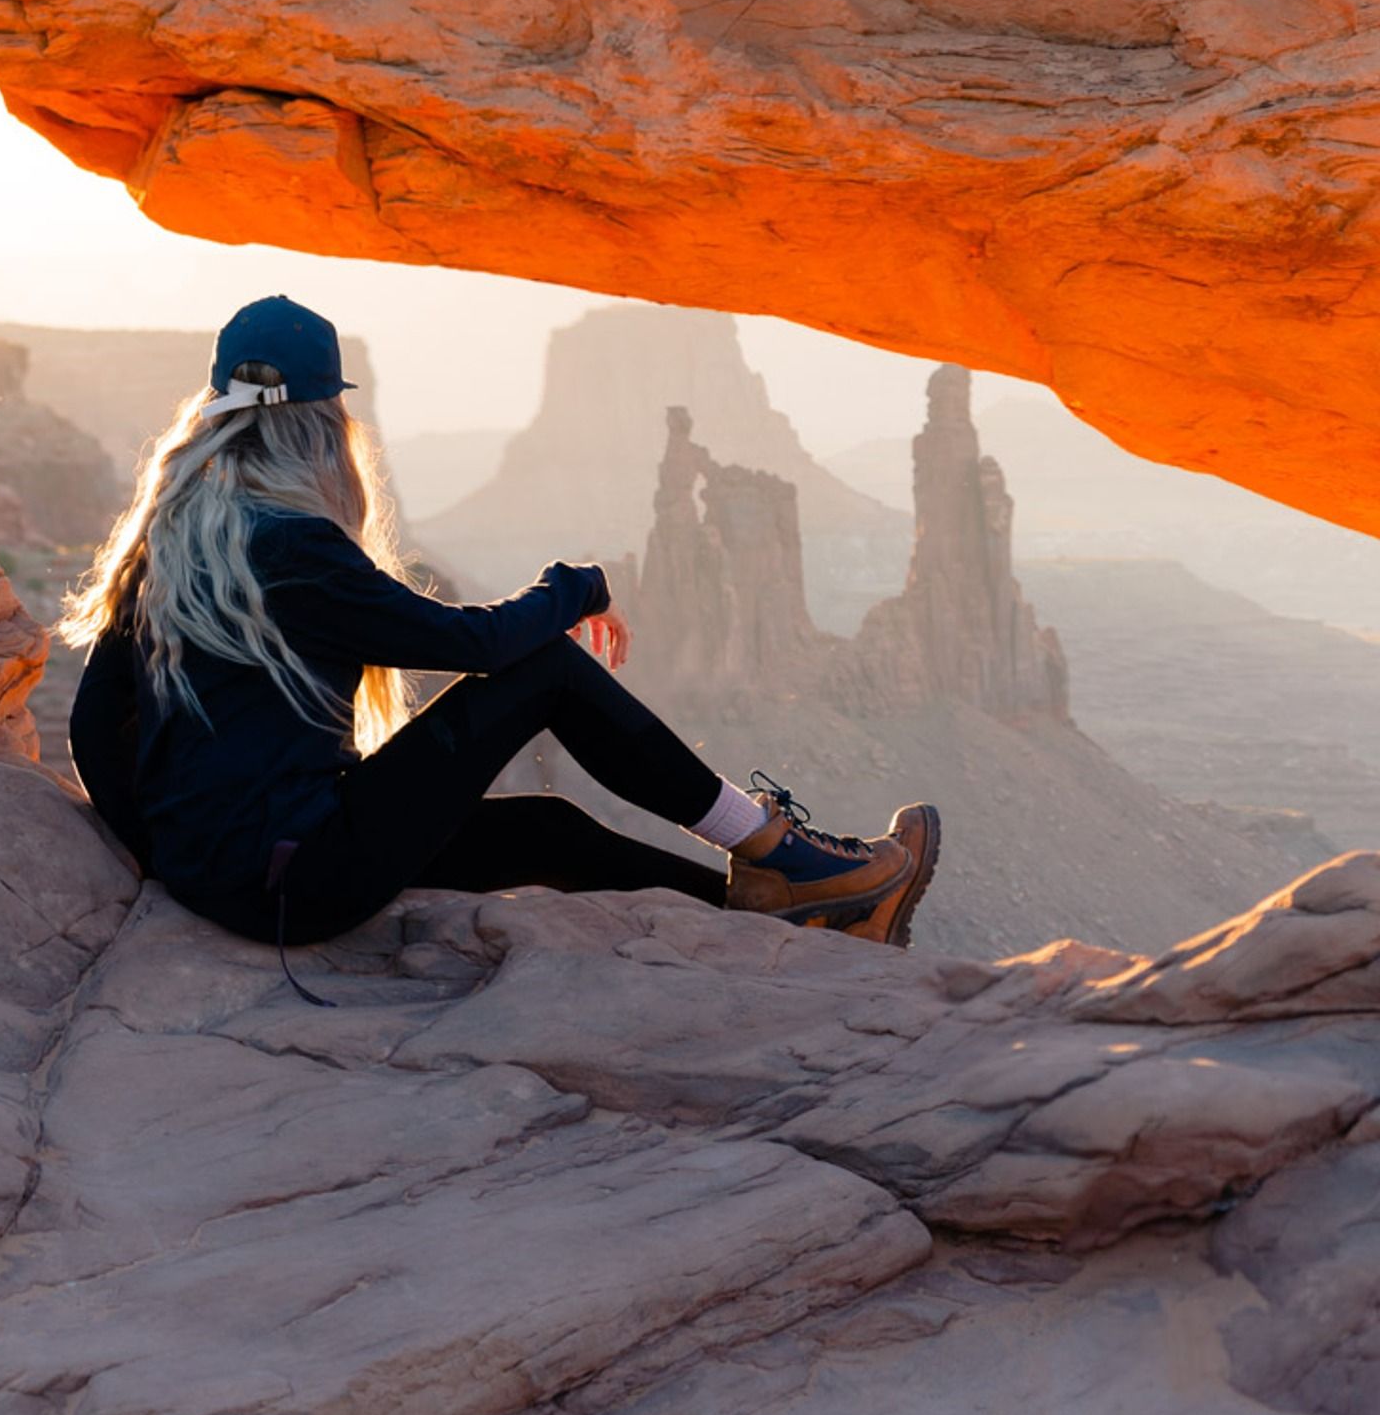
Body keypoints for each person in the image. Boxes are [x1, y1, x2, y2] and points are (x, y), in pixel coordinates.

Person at [62, 294, 939, 976]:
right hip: (296, 877)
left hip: (248, 872)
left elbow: (94, 729)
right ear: (324, 422)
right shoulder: (290, 546)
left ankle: (796, 923)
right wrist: (577, 586)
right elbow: (477, 646)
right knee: (546, 670)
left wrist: (170, 860)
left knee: (550, 832)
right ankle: (773, 849)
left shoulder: (172, 539)